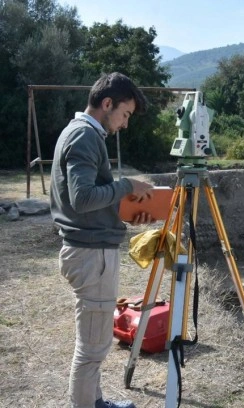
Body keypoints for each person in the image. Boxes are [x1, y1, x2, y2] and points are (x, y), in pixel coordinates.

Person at [51, 72, 155, 408]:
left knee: (93, 341)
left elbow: (87, 200)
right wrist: (126, 187)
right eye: (125, 114)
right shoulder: (84, 137)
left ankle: (94, 401)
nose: (124, 124)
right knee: (92, 348)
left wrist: (126, 209)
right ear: (107, 103)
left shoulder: (81, 134)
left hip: (90, 251)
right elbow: (82, 199)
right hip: (91, 255)